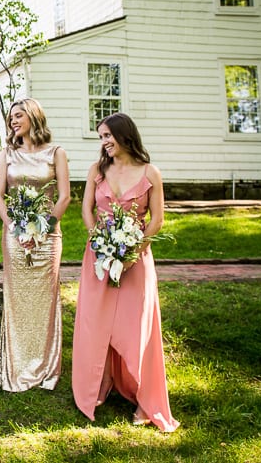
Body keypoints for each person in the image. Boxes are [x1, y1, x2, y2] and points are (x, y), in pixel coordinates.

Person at [72, 113, 179, 432]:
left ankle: (146, 401)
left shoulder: (150, 172)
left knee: (137, 328)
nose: (104, 142)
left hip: (137, 258)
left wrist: (134, 250)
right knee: (95, 323)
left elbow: (157, 219)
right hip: (99, 258)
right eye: (100, 137)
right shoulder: (96, 171)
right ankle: (96, 388)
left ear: (124, 136)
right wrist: (99, 243)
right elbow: (86, 211)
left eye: (108, 136)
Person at [0, 98, 70, 392]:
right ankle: (19, 365)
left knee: (45, 298)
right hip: (14, 236)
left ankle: (46, 366)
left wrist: (42, 231)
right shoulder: (7, 153)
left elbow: (64, 197)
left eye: (19, 115)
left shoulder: (56, 153)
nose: (13, 121)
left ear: (34, 117)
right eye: (11, 117)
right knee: (18, 298)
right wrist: (14, 227)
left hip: (48, 238)